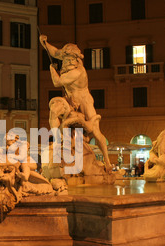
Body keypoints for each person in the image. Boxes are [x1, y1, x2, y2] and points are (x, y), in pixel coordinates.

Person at [39, 34, 112, 170]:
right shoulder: (67, 61)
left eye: (71, 60)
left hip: (84, 101)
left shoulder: (77, 72)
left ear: (77, 60)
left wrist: (51, 69)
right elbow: (54, 52)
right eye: (65, 59)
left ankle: (107, 161)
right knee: (54, 110)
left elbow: (57, 82)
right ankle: (57, 140)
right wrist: (44, 42)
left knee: (95, 131)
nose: (67, 62)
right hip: (69, 100)